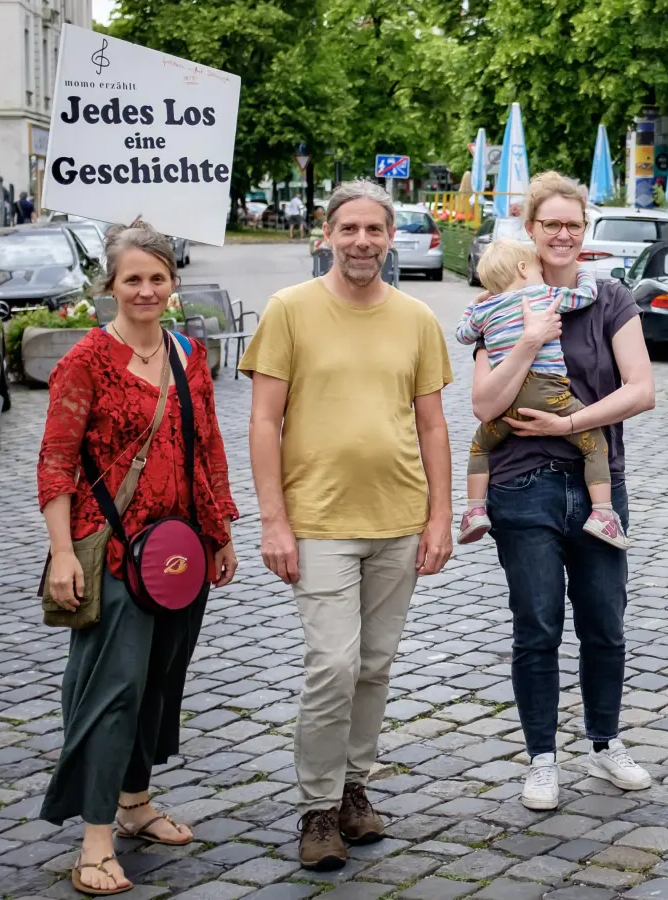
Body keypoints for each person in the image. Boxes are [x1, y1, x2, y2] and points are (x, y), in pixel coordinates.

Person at [240, 179, 454, 871]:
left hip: (398, 517)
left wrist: (440, 516)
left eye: (374, 230)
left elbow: (432, 424)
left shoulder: (417, 318)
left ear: (390, 237)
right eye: (349, 229)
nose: (362, 241)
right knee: (331, 664)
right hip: (319, 520)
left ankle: (355, 789)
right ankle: (316, 809)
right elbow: (264, 421)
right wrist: (274, 521)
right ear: (326, 235)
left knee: (374, 666)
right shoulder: (290, 310)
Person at [36, 222, 239, 896]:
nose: (147, 290)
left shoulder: (188, 354)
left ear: (172, 282)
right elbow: (56, 463)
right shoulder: (86, 361)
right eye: (133, 280)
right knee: (110, 693)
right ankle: (94, 843)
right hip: (113, 552)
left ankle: (134, 803)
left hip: (178, 554)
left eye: (157, 278)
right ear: (112, 287)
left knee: (159, 685)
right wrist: (63, 553)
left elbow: (207, 447)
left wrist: (220, 534)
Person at [471, 171, 655, 811]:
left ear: (585, 230)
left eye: (572, 224)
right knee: (538, 626)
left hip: (600, 482)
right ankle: (542, 759)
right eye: (550, 223)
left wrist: (570, 422)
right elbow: (484, 403)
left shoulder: (608, 299)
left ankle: (604, 744)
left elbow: (642, 389)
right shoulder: (502, 298)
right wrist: (527, 341)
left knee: (605, 624)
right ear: (530, 228)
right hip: (523, 486)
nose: (562, 234)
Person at [455, 239, 626, 549]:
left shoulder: (485, 309)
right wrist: (584, 272)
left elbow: (462, 333)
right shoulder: (543, 295)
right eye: (537, 269)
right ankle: (603, 514)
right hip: (549, 393)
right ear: (523, 268)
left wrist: (477, 303)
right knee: (594, 441)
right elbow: (586, 295)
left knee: (480, 446)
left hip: (508, 405)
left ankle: (475, 509)